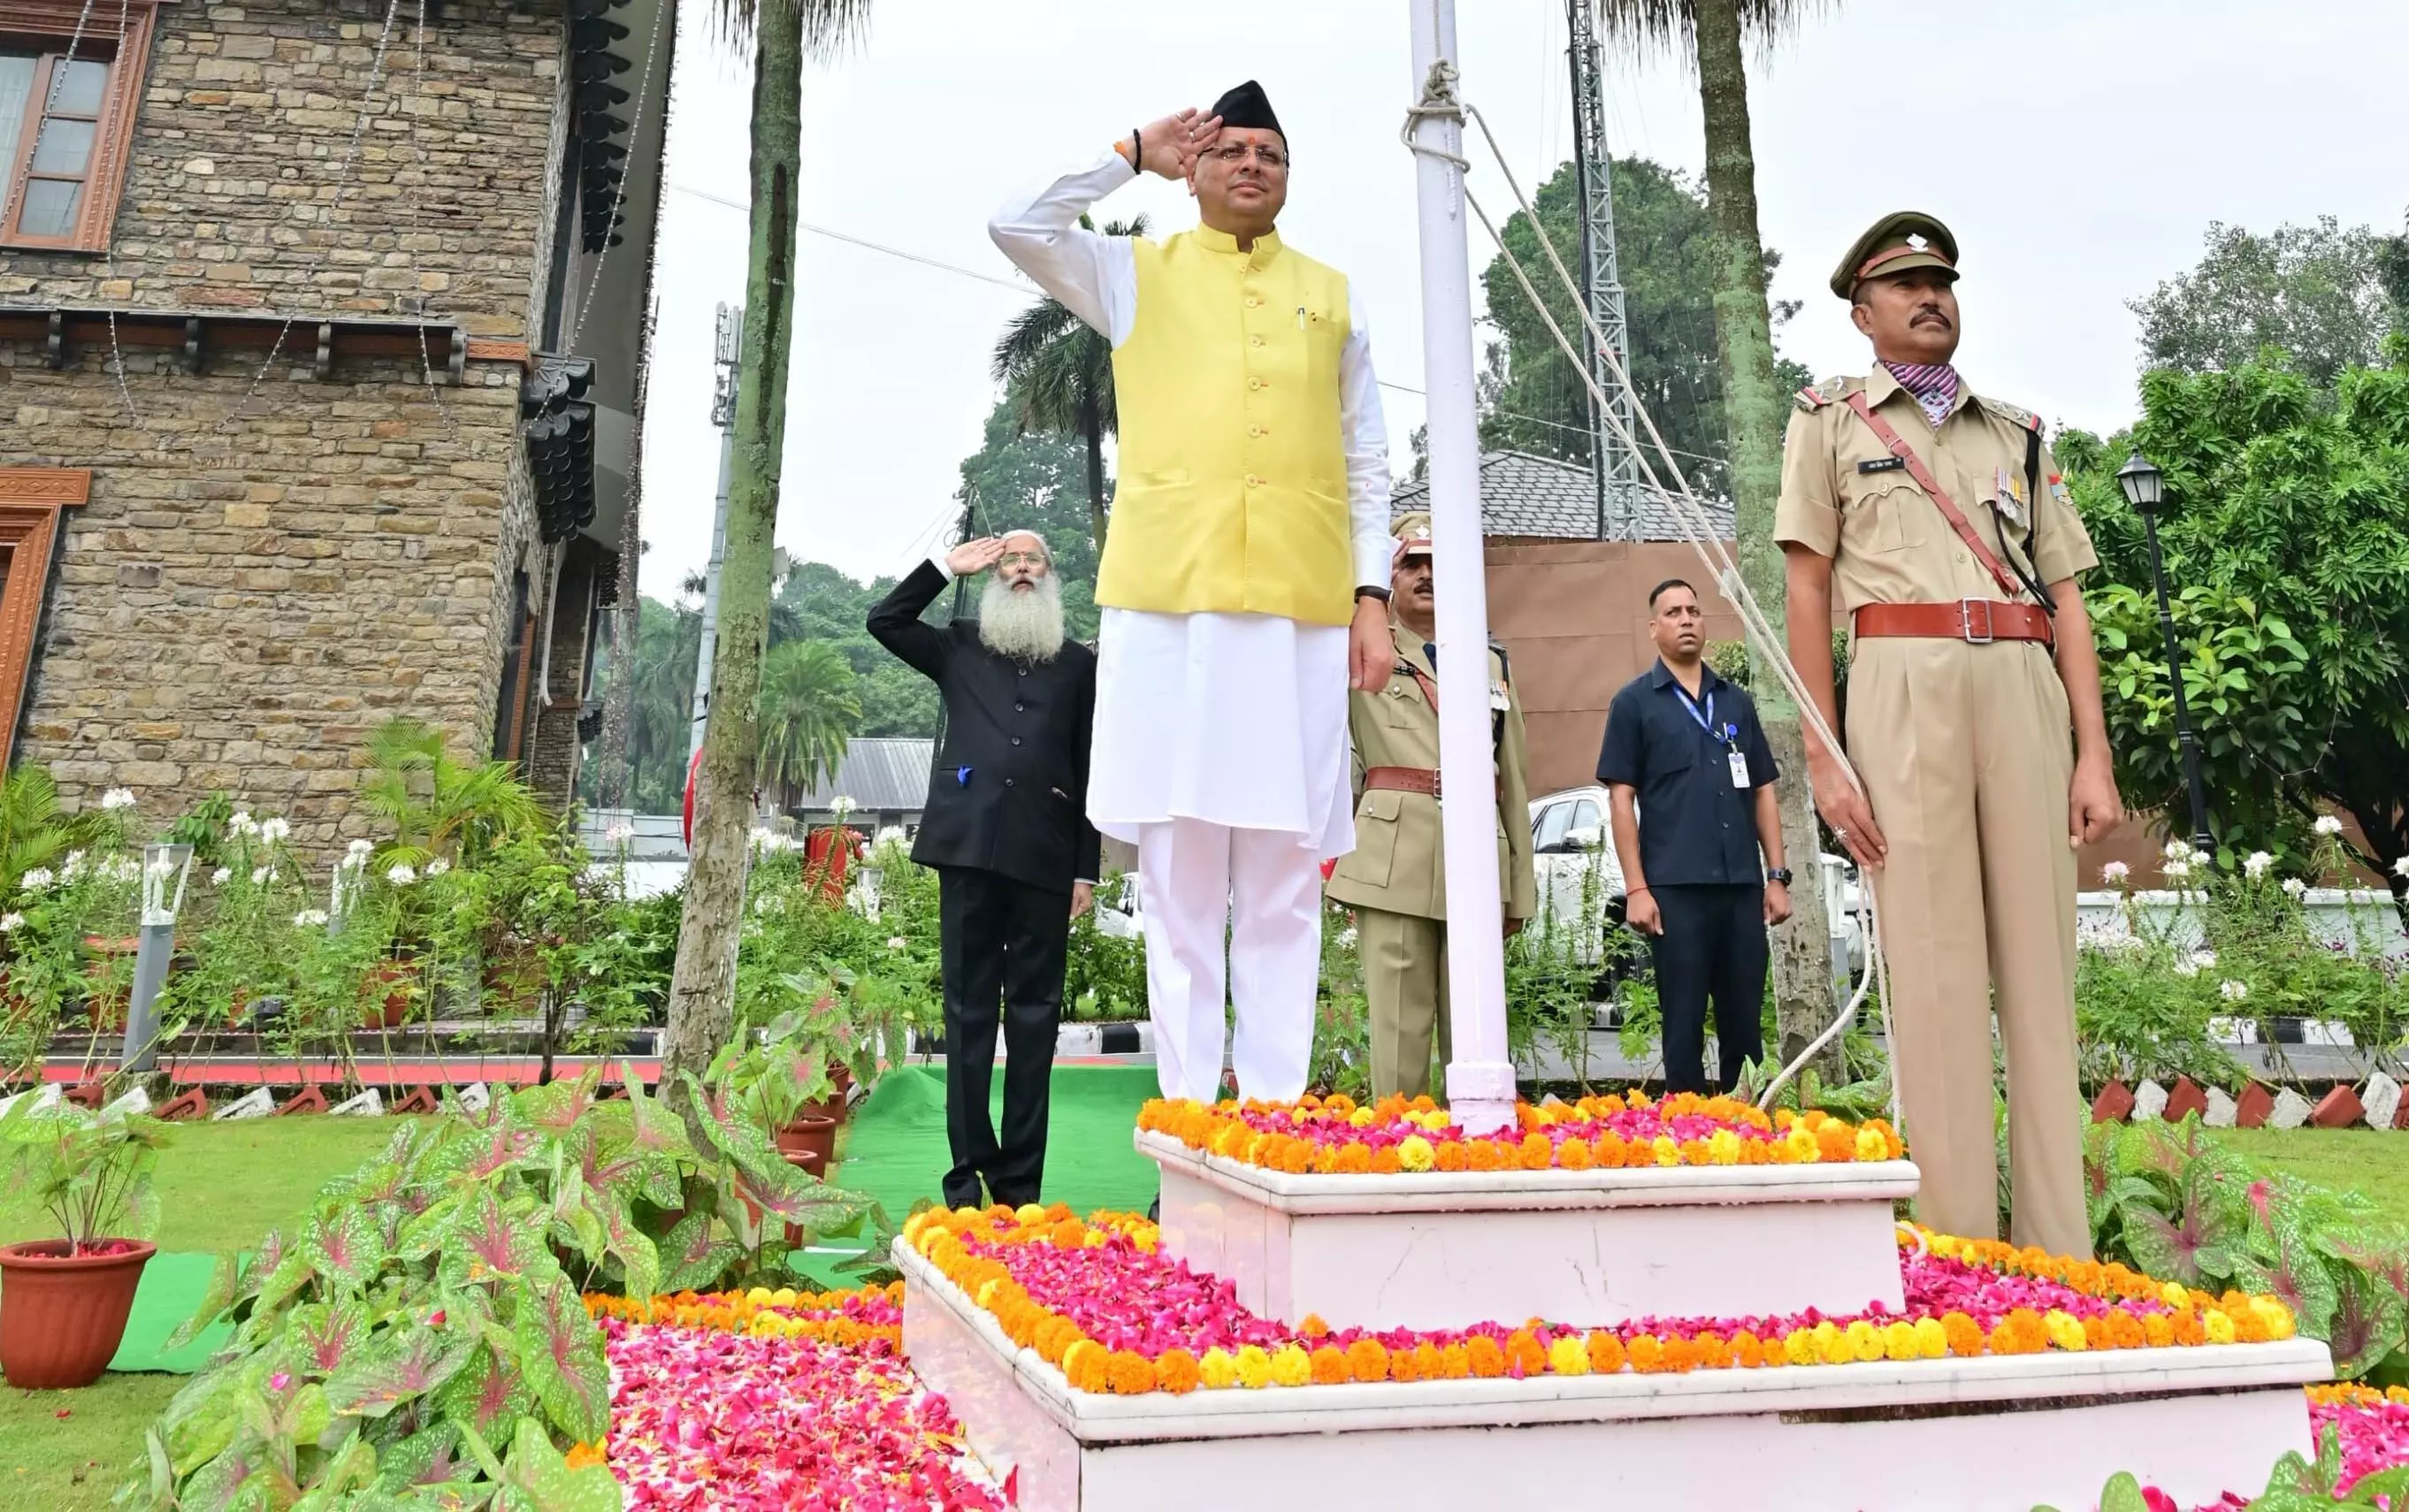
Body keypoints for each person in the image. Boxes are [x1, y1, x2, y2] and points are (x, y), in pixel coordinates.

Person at [989, 81, 1395, 1109]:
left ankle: (1271, 1114)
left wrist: (1373, 594)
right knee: (1176, 882)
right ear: (1196, 170)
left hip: (1300, 619)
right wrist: (1130, 150)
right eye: (1232, 150)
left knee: (1283, 878)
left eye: (1272, 153)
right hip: (1169, 613)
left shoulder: (1330, 294)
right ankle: (1185, 1113)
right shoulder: (1134, 274)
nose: (1253, 164)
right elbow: (1015, 223)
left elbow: (1368, 460)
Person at [1775, 211, 2123, 1256]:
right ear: (1862, 311)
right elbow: (1806, 588)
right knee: (1930, 974)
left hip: (2021, 686)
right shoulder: (1829, 422)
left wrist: (2093, 753)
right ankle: (1962, 1250)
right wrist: (1823, 757)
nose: (1932, 298)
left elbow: (2067, 596)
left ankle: (2063, 1251)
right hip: (1901, 686)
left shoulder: (2015, 430)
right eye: (1908, 285)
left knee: (2040, 971)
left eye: (1943, 282)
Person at [867, 531, 1101, 1210]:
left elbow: (1088, 768)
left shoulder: (1078, 664)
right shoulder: (958, 645)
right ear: (994, 572)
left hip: (1047, 855)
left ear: (1051, 574)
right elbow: (884, 621)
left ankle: (1020, 1185)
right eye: (1009, 561)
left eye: (1033, 560)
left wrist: (1084, 869)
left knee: (1036, 1020)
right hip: (967, 849)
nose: (1022, 569)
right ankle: (966, 1175)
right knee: (968, 1014)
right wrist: (947, 566)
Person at [1327, 513, 1536, 1099]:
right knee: (1400, 1032)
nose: (1426, 576)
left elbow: (1513, 777)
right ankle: (1398, 1160)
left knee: (1478, 1031)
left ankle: (1473, 1156)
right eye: (1411, 564)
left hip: (1477, 855)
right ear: (1388, 578)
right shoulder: (1359, 649)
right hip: (1395, 858)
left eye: (1438, 565)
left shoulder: (1488, 663)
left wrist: (1520, 884)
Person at [1597, 579, 1792, 1096]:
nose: (1686, 619)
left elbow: (1764, 793)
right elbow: (1622, 800)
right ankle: (1686, 1132)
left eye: (1694, 611)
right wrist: (1636, 888)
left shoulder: (1736, 703)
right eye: (1673, 612)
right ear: (1653, 628)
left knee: (1744, 1024)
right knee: (1682, 1021)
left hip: (1740, 888)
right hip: (1675, 890)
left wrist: (1776, 876)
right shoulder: (1635, 704)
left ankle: (1747, 1131)